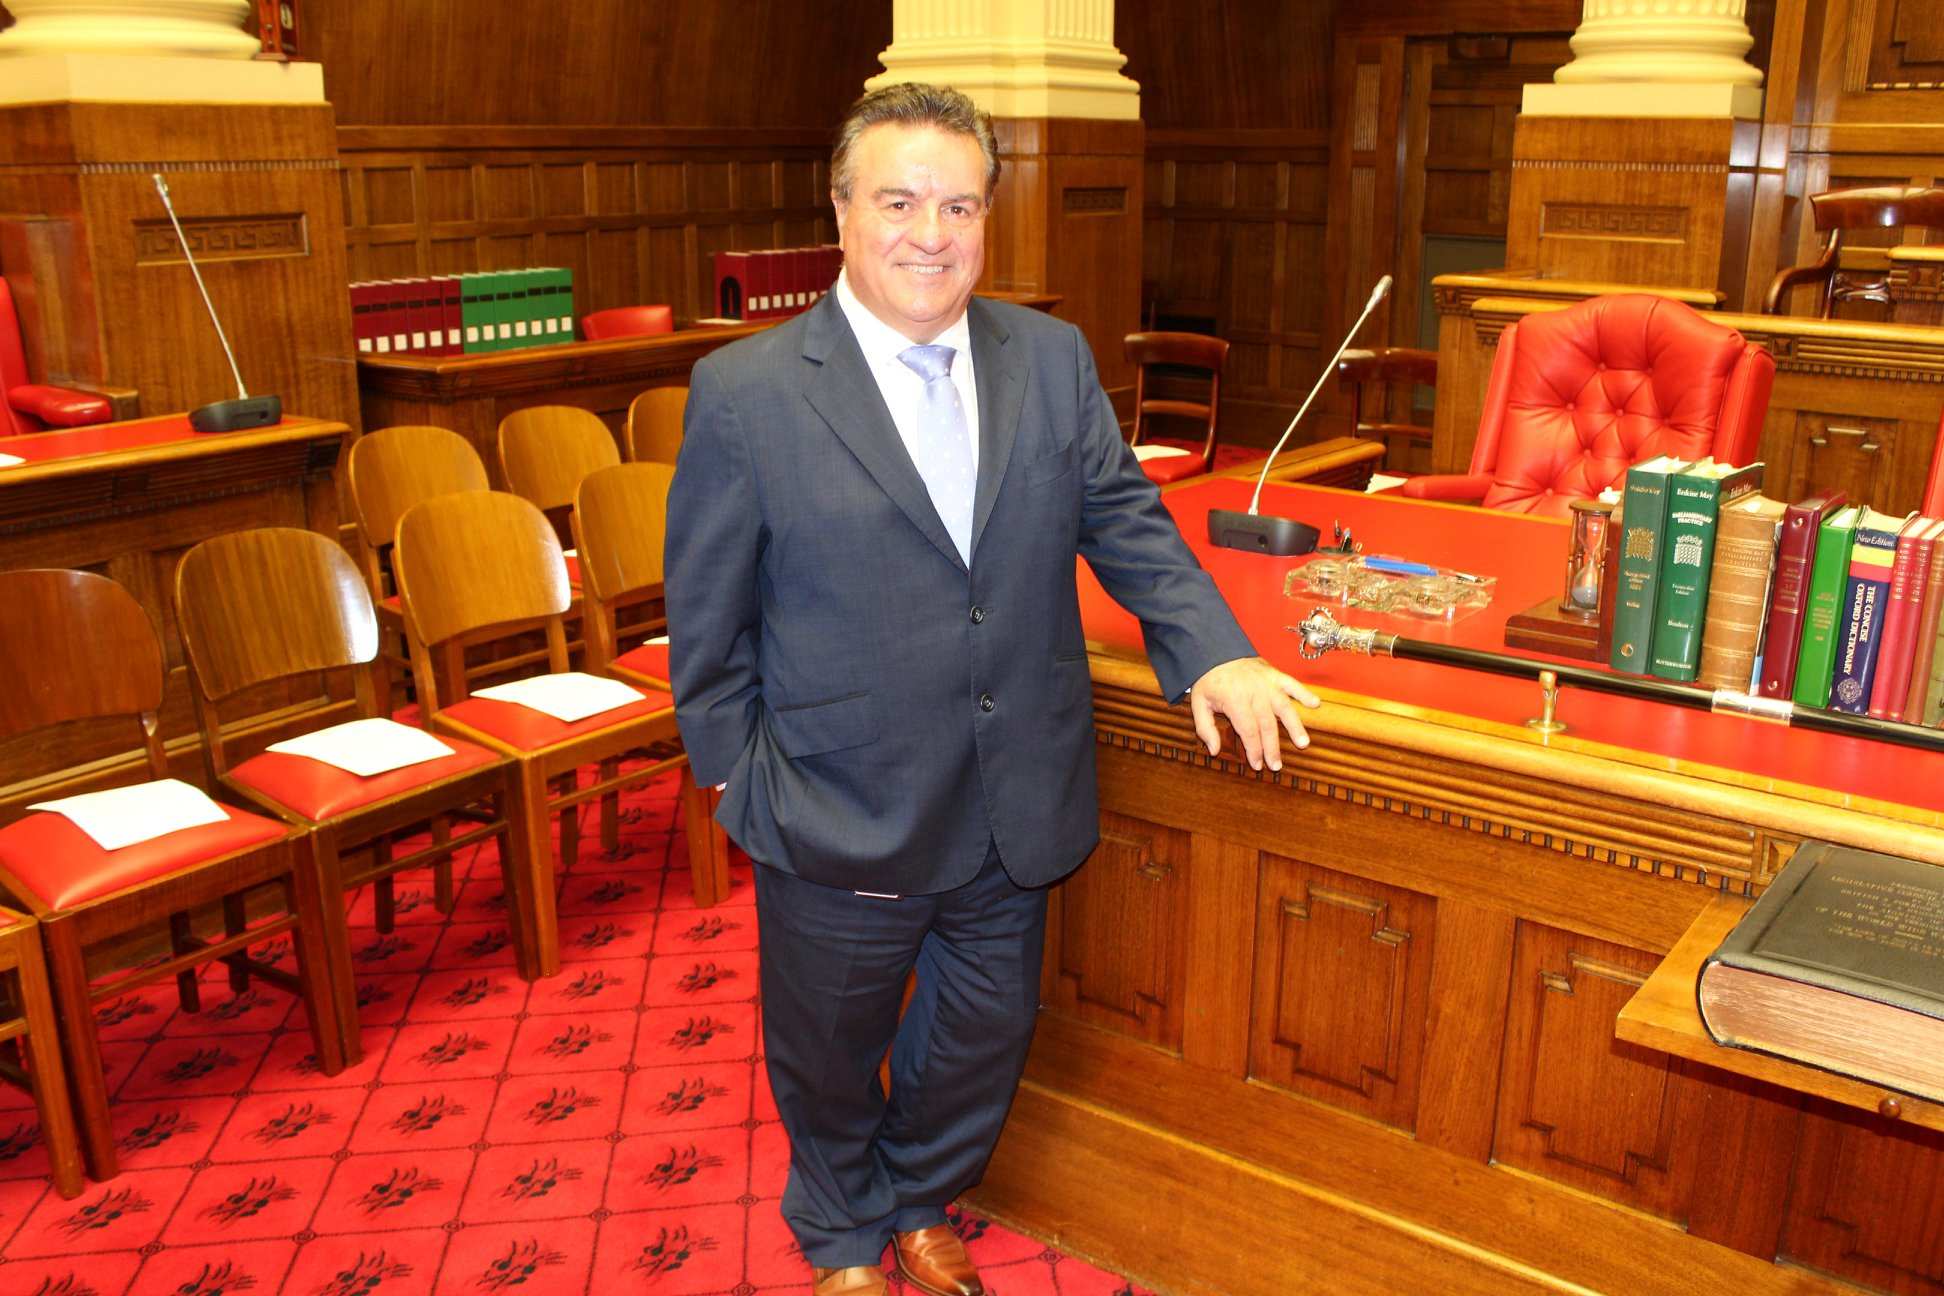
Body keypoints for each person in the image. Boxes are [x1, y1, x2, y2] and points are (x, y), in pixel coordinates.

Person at [664, 82, 1317, 1296]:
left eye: (958, 204)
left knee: (981, 1035)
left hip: (1015, 791)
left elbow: (1124, 517)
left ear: (986, 219)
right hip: (836, 799)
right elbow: (705, 622)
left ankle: (917, 1194)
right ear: (845, 215)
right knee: (826, 1046)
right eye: (901, 200)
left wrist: (1214, 648)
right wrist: (735, 778)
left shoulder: (1051, 356)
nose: (931, 233)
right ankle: (844, 1230)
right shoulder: (748, 392)